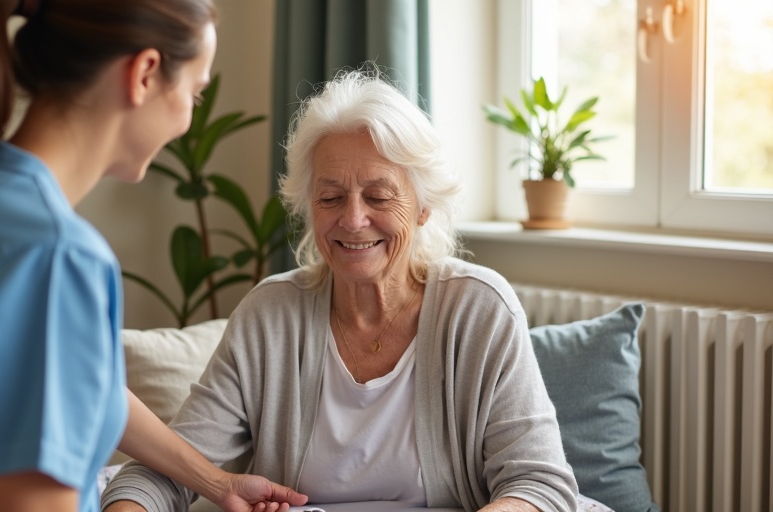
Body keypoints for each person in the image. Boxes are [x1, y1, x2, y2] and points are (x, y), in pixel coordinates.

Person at [0, 1, 307, 511]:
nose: (189, 121)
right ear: (144, 74)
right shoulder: (51, 255)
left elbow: (75, 386)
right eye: (194, 93)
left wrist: (218, 482)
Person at [100, 66, 579, 512]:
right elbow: (162, 473)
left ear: (423, 206)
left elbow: (539, 484)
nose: (352, 220)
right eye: (330, 197)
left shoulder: (479, 308)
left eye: (378, 195)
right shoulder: (270, 316)